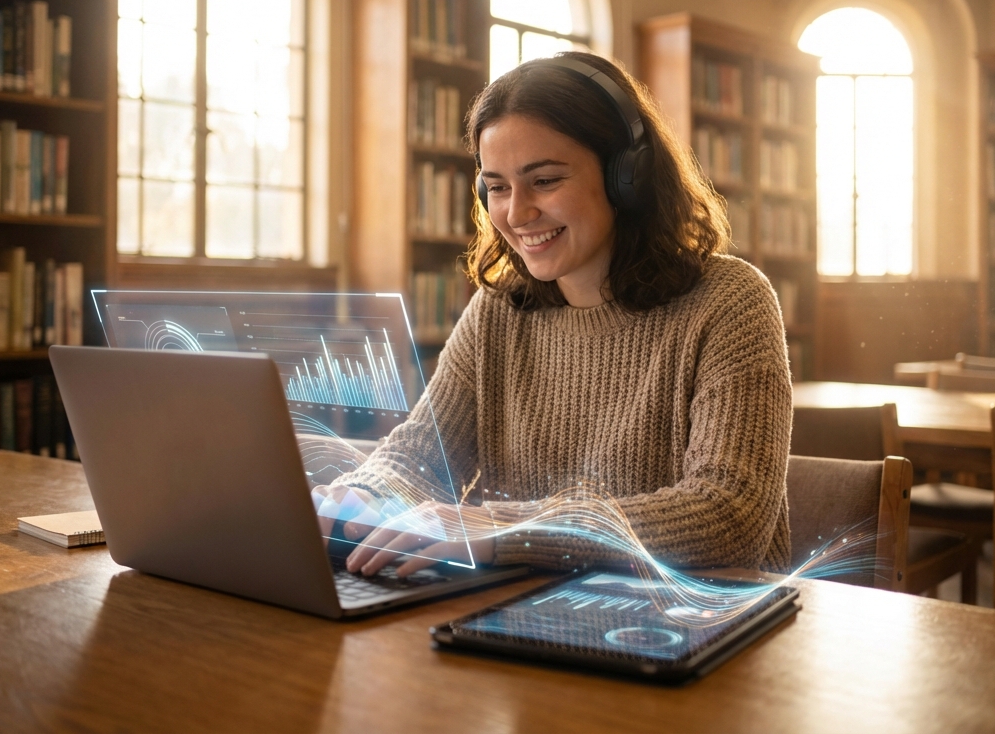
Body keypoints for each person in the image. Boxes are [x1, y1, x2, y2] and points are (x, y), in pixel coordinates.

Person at [317, 51, 791, 578]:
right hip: (530, 614)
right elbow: (420, 454)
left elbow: (729, 515)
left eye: (544, 180)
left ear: (625, 178)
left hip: (703, 626)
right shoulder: (498, 312)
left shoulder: (729, 301)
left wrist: (503, 530)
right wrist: (358, 497)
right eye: (497, 187)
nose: (517, 214)